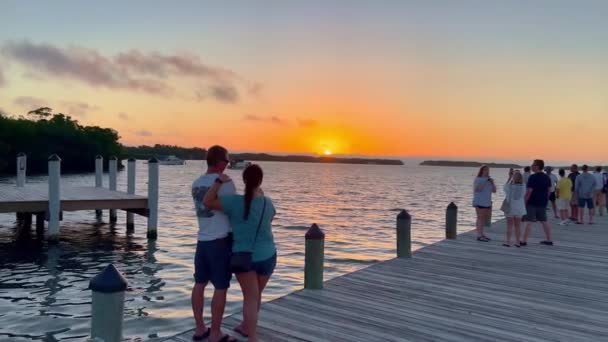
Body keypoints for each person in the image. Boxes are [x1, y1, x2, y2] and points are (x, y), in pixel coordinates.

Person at [204, 164, 277, 342]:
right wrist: (259, 190)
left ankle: (252, 338)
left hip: (244, 258)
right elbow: (271, 216)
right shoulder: (268, 202)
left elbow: (207, 201)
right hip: (268, 255)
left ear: (244, 180)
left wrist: (217, 183)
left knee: (250, 298)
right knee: (256, 296)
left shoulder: (234, 202)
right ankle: (246, 327)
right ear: (260, 181)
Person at [190, 145, 237, 342]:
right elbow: (232, 210)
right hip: (220, 241)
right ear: (219, 162)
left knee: (199, 283)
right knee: (221, 287)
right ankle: (215, 333)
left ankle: (200, 328)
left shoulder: (196, 183)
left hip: (202, 240)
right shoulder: (225, 183)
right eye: (227, 161)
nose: (228, 164)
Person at [521, 159, 553, 246]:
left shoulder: (532, 177)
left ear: (537, 166)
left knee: (528, 221)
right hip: (542, 203)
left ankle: (523, 241)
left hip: (532, 202)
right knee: (544, 221)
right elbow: (549, 191)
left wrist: (524, 202)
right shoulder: (547, 177)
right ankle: (549, 240)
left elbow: (529, 191)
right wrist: (545, 200)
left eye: (533, 165)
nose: (531, 166)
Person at [472, 165, 496, 242]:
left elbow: (494, 191)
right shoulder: (478, 179)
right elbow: (477, 189)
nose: (487, 171)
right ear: (482, 171)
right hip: (479, 201)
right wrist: (485, 182)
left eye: (488, 170)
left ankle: (482, 234)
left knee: (483, 219)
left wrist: (492, 183)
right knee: (480, 217)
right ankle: (479, 235)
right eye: (485, 170)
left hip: (487, 202)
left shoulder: (490, 180)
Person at [503, 171, 526, 247]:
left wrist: (509, 177)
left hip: (510, 208)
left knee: (509, 225)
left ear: (513, 178)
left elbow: (504, 188)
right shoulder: (523, 186)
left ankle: (507, 242)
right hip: (519, 208)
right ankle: (517, 242)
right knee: (518, 226)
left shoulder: (509, 186)